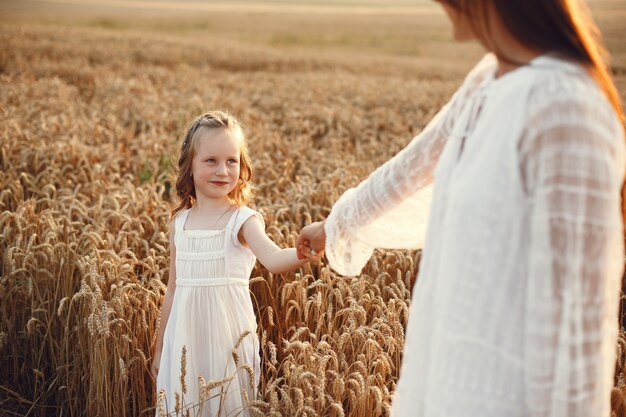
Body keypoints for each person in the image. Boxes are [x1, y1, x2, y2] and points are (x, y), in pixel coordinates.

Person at [297, 0, 625, 416]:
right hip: (445, 375)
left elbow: (576, 325)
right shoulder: (489, 79)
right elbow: (411, 170)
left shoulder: (566, 109)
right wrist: (337, 225)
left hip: (508, 396)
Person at [152, 111, 319, 417]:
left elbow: (272, 258)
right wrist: (161, 347)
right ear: (189, 164)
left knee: (228, 406)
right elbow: (173, 290)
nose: (223, 170)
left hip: (229, 343)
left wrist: (301, 253)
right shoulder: (180, 222)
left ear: (242, 167)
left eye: (232, 161)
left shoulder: (242, 220)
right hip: (184, 341)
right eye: (211, 160)